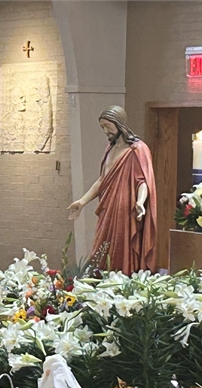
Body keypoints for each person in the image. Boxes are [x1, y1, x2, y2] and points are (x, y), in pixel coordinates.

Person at [67, 105, 157, 274]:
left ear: (119, 123)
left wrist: (140, 202)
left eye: (108, 126)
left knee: (122, 247)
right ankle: (101, 280)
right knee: (101, 247)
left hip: (126, 210)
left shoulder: (137, 149)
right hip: (108, 208)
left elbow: (143, 181)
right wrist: (82, 201)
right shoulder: (109, 149)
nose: (105, 131)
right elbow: (102, 180)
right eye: (102, 127)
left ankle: (123, 280)